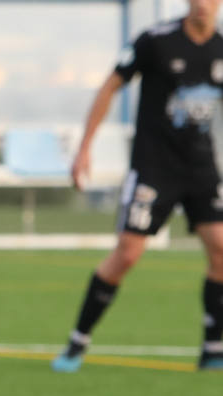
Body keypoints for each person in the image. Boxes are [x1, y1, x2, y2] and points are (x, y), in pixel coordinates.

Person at [53, 0, 223, 372]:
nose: (202, 4)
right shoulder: (156, 41)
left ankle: (213, 348)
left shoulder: (220, 48)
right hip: (154, 167)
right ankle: (77, 342)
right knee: (127, 254)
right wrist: (84, 148)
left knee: (221, 250)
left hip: (200, 168)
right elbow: (109, 86)